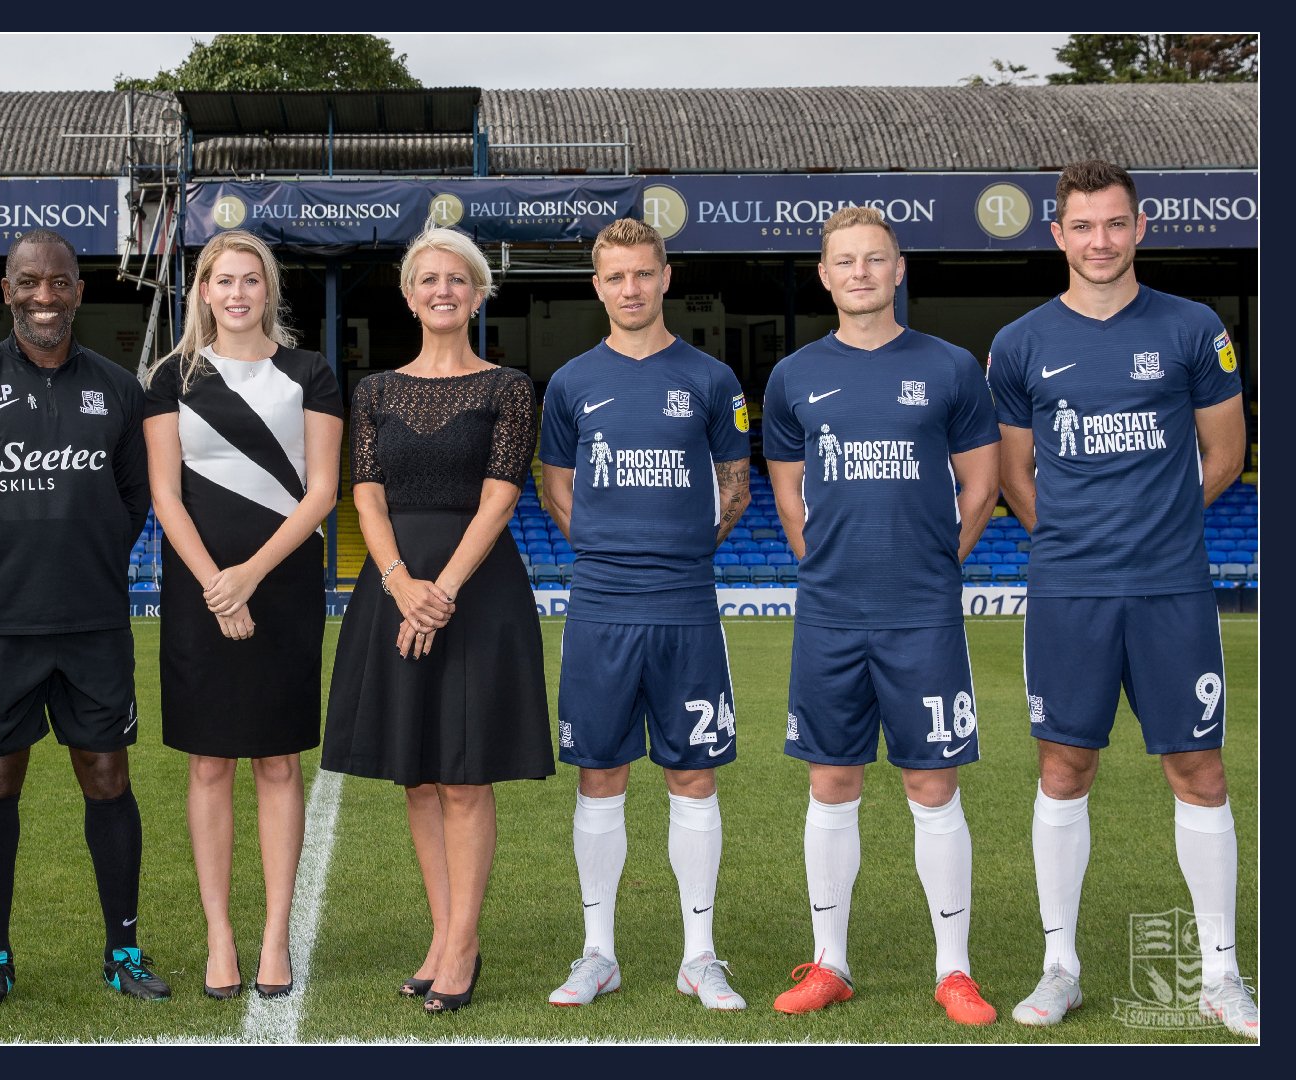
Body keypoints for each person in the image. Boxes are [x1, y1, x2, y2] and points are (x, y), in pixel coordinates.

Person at [988, 160, 1255, 1038]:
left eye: (1115, 224)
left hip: (1171, 587)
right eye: (1083, 226)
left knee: (1199, 768)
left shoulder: (1191, 327)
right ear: (1056, 235)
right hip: (1069, 592)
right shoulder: (1021, 343)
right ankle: (1058, 964)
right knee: (1065, 769)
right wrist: (1075, 540)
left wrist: (1155, 526)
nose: (1099, 241)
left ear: (1139, 229)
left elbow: (1223, 454)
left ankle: (1221, 972)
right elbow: (1016, 475)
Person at [0, 230, 166, 1007]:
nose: (45, 297)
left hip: (92, 625)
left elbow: (135, 500)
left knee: (107, 775)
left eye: (59, 283)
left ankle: (122, 947)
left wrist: (86, 569)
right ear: (7, 288)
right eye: (30, 283)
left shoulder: (120, 390)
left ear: (80, 291)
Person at [761, 206, 1001, 1025]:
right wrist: (818, 557)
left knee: (932, 784)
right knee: (832, 782)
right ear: (824, 276)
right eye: (844, 262)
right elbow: (788, 487)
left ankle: (955, 971)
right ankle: (830, 963)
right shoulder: (793, 375)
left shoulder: (951, 368)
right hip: (830, 612)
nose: (860, 272)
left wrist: (940, 559)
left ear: (899, 270)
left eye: (875, 259)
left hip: (921, 612)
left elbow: (981, 484)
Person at [322, 225, 555, 1013]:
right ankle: (442, 933)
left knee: (464, 774)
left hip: (476, 591)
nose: (442, 290)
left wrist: (441, 589)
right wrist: (398, 581)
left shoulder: (509, 386)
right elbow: (365, 493)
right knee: (418, 776)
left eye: (457, 279)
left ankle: (462, 945)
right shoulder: (375, 390)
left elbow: (500, 498)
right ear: (408, 293)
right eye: (428, 279)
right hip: (393, 588)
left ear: (478, 293)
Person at [536, 217, 752, 1010]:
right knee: (600, 774)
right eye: (614, 276)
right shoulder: (569, 383)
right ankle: (599, 953)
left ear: (666, 278)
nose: (630, 288)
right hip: (600, 604)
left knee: (692, 774)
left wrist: (682, 550)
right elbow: (555, 485)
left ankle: (701, 955)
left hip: (685, 604)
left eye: (642, 273)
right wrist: (605, 546)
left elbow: (736, 486)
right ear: (597, 286)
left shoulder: (711, 379)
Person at [143, 230, 343, 1000]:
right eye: (222, 280)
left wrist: (251, 577)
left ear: (269, 291)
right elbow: (166, 493)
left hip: (284, 586)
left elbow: (322, 491)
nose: (236, 294)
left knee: (279, 762)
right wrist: (215, 585)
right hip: (199, 590)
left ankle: (274, 936)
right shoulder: (171, 377)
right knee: (208, 763)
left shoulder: (309, 373)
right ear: (201, 290)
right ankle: (219, 937)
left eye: (249, 281)